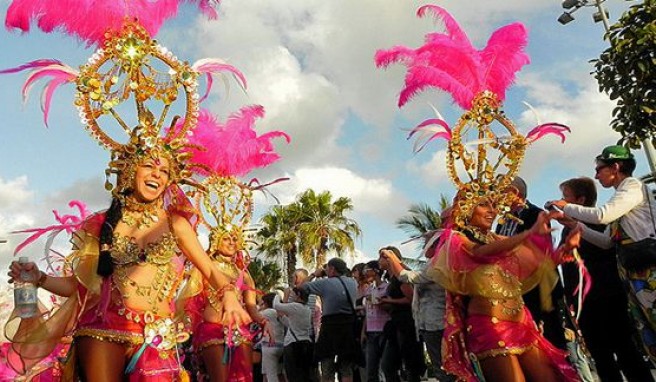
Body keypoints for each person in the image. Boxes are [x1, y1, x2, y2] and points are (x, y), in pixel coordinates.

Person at [7, 152, 251, 381]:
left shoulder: (176, 224)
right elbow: (78, 287)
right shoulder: (103, 224)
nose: (157, 174)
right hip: (103, 328)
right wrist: (39, 278)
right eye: (148, 165)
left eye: (164, 171)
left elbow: (210, 271)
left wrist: (229, 295)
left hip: (156, 333)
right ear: (131, 171)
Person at [547, 144, 656, 365]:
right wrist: (573, 223)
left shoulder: (632, 187)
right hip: (634, 273)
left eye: (600, 169)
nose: (596, 175)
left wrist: (566, 207)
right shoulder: (620, 198)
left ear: (615, 166)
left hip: (649, 270)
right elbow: (606, 241)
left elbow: (602, 216)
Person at [381, 212, 454, 381]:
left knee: (442, 367)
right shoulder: (437, 262)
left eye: (426, 243)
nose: (423, 247)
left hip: (436, 322)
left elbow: (411, 278)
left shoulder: (438, 263)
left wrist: (392, 257)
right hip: (430, 322)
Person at [496, 176, 566, 350]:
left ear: (514, 193)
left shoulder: (536, 214)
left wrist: (502, 243)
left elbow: (537, 249)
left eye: (499, 191)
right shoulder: (502, 222)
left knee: (552, 341)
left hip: (540, 289)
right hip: (516, 290)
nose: (495, 197)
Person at [299, 258, 361, 382]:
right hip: (348, 326)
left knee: (327, 366)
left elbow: (301, 287)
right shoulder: (353, 282)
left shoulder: (325, 283)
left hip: (330, 326)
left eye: (327, 268)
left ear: (332, 269)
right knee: (346, 368)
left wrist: (314, 275)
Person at [377, 247, 426, 382]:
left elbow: (411, 298)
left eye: (381, 257)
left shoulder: (401, 275)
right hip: (396, 323)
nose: (378, 260)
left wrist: (389, 300)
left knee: (409, 364)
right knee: (389, 365)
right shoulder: (391, 277)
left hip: (407, 323)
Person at [272, 288, 315, 381]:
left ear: (298, 295)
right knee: (304, 373)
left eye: (293, 294)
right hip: (306, 342)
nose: (292, 296)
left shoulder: (295, 306)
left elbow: (276, 305)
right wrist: (282, 317)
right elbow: (292, 324)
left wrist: (278, 295)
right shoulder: (307, 309)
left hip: (292, 344)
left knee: (292, 374)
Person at [361, 260, 391, 382]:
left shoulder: (387, 287)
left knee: (385, 367)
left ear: (375, 271)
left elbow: (389, 307)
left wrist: (376, 300)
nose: (365, 273)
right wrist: (363, 331)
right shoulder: (369, 289)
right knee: (371, 369)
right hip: (371, 331)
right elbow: (367, 313)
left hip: (384, 330)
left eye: (367, 270)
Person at [259, 293, 286, 382]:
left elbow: (253, 315)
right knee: (276, 373)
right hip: (280, 345)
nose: (261, 306)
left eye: (262, 303)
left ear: (267, 303)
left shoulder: (268, 312)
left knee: (271, 376)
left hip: (269, 347)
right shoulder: (280, 312)